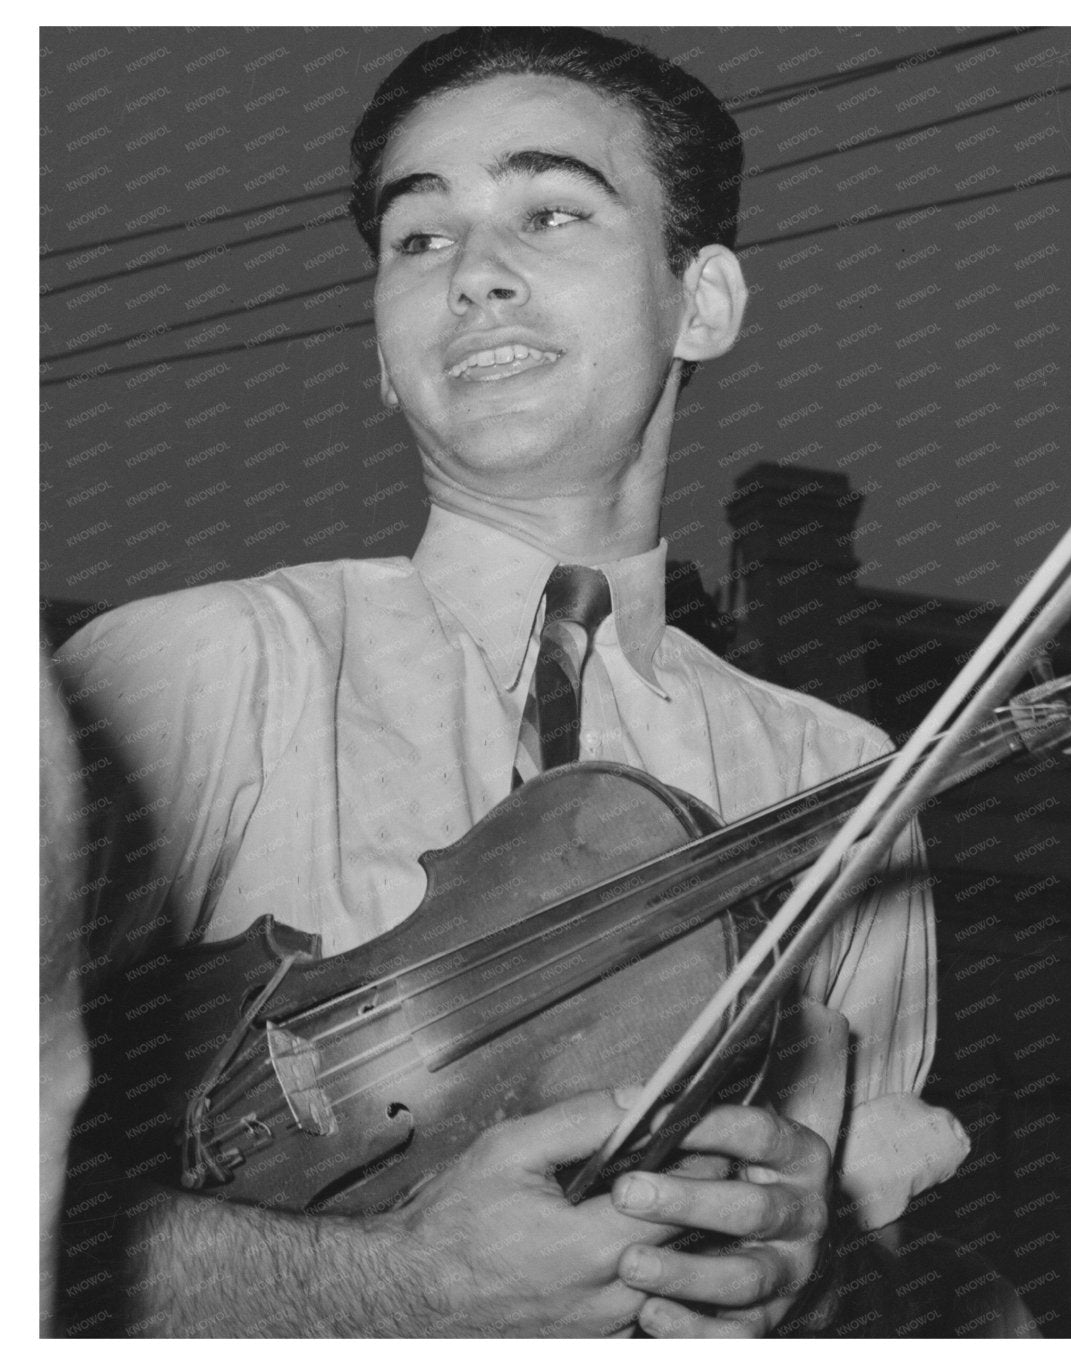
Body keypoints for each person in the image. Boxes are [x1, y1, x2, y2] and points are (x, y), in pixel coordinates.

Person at [53, 27, 966, 1338]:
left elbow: (881, 1268)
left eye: (548, 212)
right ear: (381, 345)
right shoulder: (185, 674)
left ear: (700, 300)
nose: (474, 272)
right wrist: (404, 1284)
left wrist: (805, 1278)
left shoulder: (841, 777)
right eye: (418, 240)